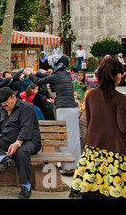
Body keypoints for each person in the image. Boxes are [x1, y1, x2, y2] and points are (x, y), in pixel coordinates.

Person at [70, 57, 126, 199]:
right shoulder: (121, 99)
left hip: (92, 152)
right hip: (114, 153)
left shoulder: (91, 95)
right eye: (121, 73)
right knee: (113, 191)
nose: (122, 75)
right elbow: (124, 127)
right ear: (115, 76)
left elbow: (90, 122)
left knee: (90, 191)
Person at [0, 87, 42, 199]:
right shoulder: (3, 109)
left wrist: (17, 143)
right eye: (1, 102)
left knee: (21, 152)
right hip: (8, 140)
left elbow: (26, 129)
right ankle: (5, 159)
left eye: (5, 101)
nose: (3, 104)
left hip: (29, 141)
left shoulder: (26, 108)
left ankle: (26, 185)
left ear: (13, 97)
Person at [24, 54, 80, 176]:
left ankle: (70, 167)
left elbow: (39, 81)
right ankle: (73, 165)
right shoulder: (64, 74)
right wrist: (35, 72)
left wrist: (30, 75)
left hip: (64, 109)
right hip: (72, 109)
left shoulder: (57, 76)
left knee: (65, 138)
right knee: (73, 138)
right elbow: (48, 77)